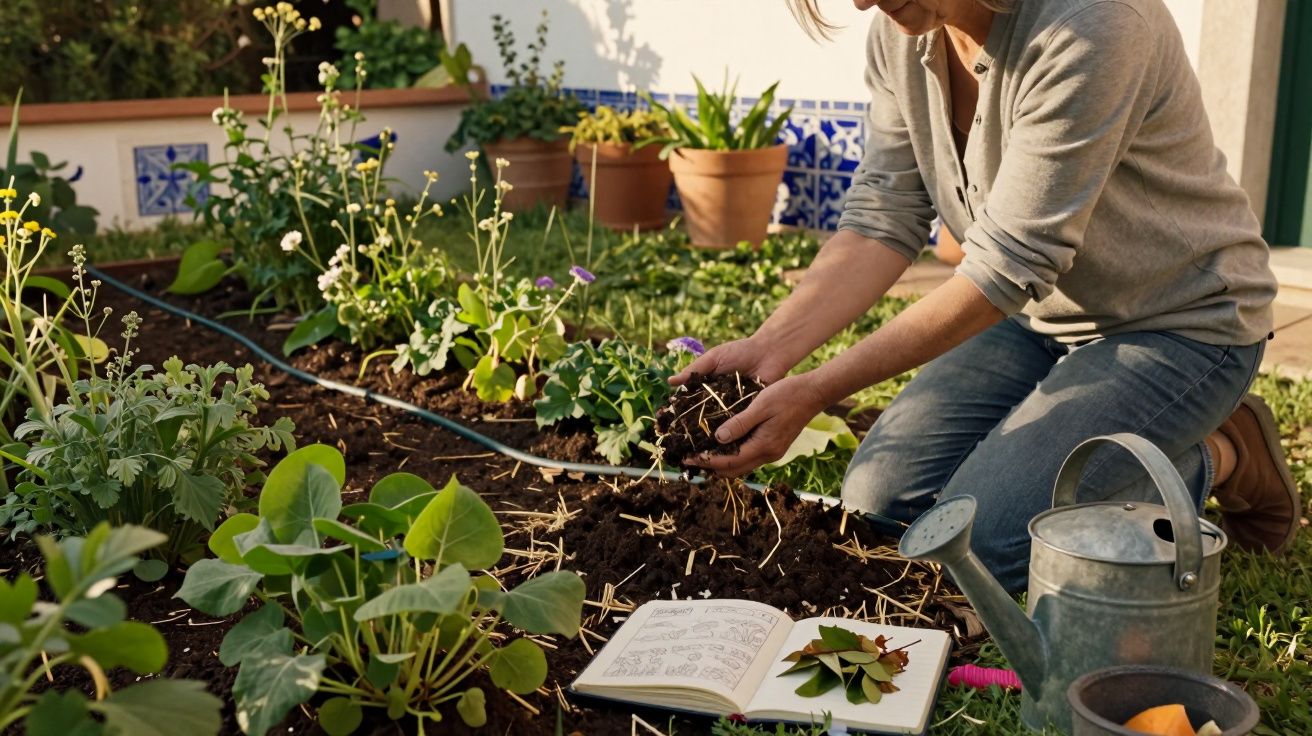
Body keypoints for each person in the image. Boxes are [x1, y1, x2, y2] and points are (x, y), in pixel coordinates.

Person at [671, 0, 1301, 593]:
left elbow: (1006, 268)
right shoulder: (901, 34)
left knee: (985, 546)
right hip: (1036, 317)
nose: (862, 2)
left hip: (1179, 323)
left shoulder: (1094, 25)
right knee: (879, 506)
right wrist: (771, 347)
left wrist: (817, 389)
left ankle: (1224, 452)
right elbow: (884, 214)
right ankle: (1129, 435)